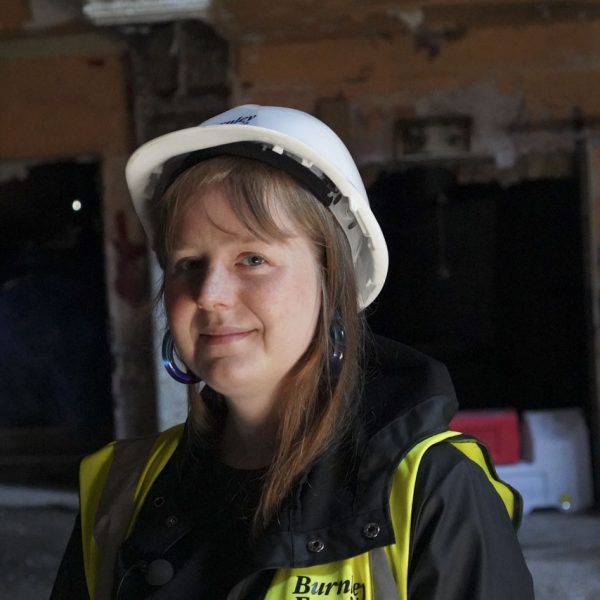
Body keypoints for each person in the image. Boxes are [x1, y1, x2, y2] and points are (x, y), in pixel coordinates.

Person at [51, 105, 534, 600]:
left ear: (332, 283)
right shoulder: (120, 488)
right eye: (188, 263)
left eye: (253, 259)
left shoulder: (432, 489)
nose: (210, 293)